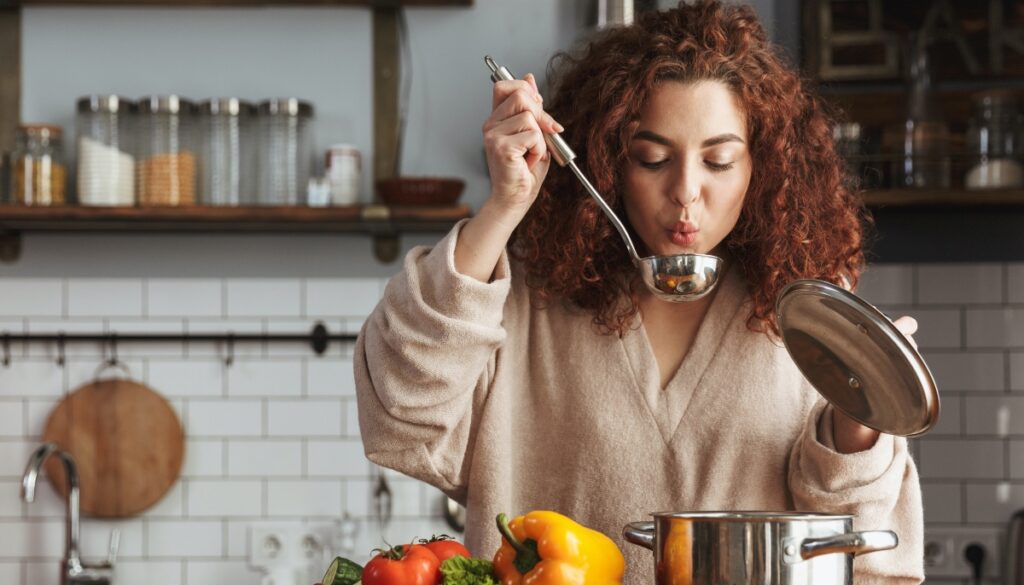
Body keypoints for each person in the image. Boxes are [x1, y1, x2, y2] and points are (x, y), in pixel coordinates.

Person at [354, 2, 924, 584]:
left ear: (764, 166)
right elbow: (403, 413)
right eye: (652, 158)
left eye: (719, 161)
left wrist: (859, 422)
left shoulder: (808, 316)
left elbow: (861, 552)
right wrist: (504, 209)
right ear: (607, 160)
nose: (685, 193)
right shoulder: (525, 297)